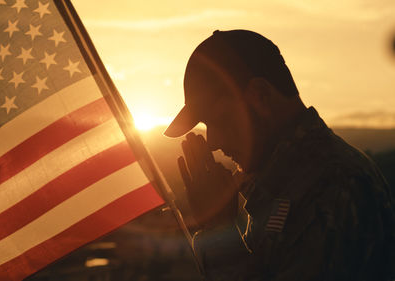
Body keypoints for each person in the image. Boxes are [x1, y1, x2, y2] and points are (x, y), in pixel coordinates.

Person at [164, 29, 395, 281]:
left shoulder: (331, 187)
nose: (213, 141)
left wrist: (219, 230)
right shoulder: (287, 186)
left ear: (261, 96)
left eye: (220, 120)